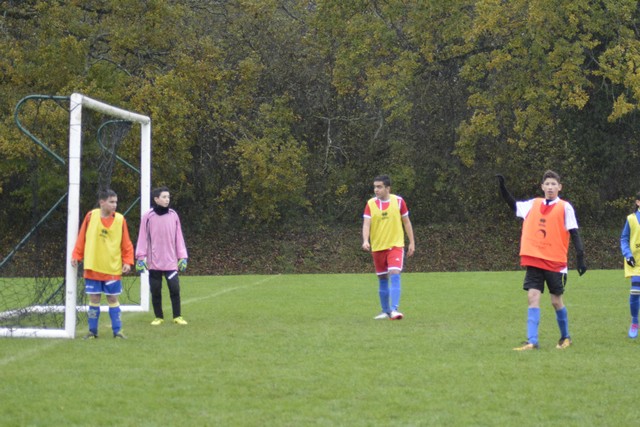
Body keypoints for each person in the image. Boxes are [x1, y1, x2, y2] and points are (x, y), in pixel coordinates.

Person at [497, 170, 587, 351]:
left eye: (554, 184)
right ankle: (532, 341)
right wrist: (503, 188)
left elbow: (574, 232)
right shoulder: (534, 204)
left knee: (556, 301)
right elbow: (514, 205)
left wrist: (580, 257)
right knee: (532, 297)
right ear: (542, 187)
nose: (550, 187)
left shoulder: (565, 207)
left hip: (555, 262)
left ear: (559, 187)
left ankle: (565, 337)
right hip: (535, 259)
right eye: (547, 184)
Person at [71, 189, 134, 339]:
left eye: (116, 202)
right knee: (94, 299)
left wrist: (127, 261)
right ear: (102, 202)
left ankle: (117, 331)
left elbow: (126, 243)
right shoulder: (90, 216)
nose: (115, 205)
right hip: (93, 266)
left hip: (112, 267)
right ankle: (92, 332)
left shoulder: (120, 219)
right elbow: (82, 238)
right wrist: (77, 255)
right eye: (111, 202)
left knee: (112, 299)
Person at [362, 175, 415, 320]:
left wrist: (412, 242)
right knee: (382, 277)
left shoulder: (398, 201)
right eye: (375, 187)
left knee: (394, 272)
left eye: (379, 187)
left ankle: (394, 309)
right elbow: (366, 224)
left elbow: (407, 222)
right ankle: (385, 311)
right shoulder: (370, 204)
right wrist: (365, 240)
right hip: (378, 247)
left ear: (387, 188)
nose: (376, 190)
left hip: (395, 245)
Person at [135, 186, 189, 326]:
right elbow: (142, 237)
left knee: (174, 289)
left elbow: (179, 237)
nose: (167, 199)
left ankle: (177, 316)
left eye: (168, 197)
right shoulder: (148, 216)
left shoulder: (173, 215)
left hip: (171, 262)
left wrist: (182, 257)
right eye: (164, 197)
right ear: (156, 199)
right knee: (155, 290)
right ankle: (158, 317)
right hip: (154, 263)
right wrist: (140, 257)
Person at [620, 191, 640, 339]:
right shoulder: (631, 219)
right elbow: (624, 239)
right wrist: (628, 255)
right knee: (635, 292)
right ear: (638, 202)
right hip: (636, 262)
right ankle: (634, 322)